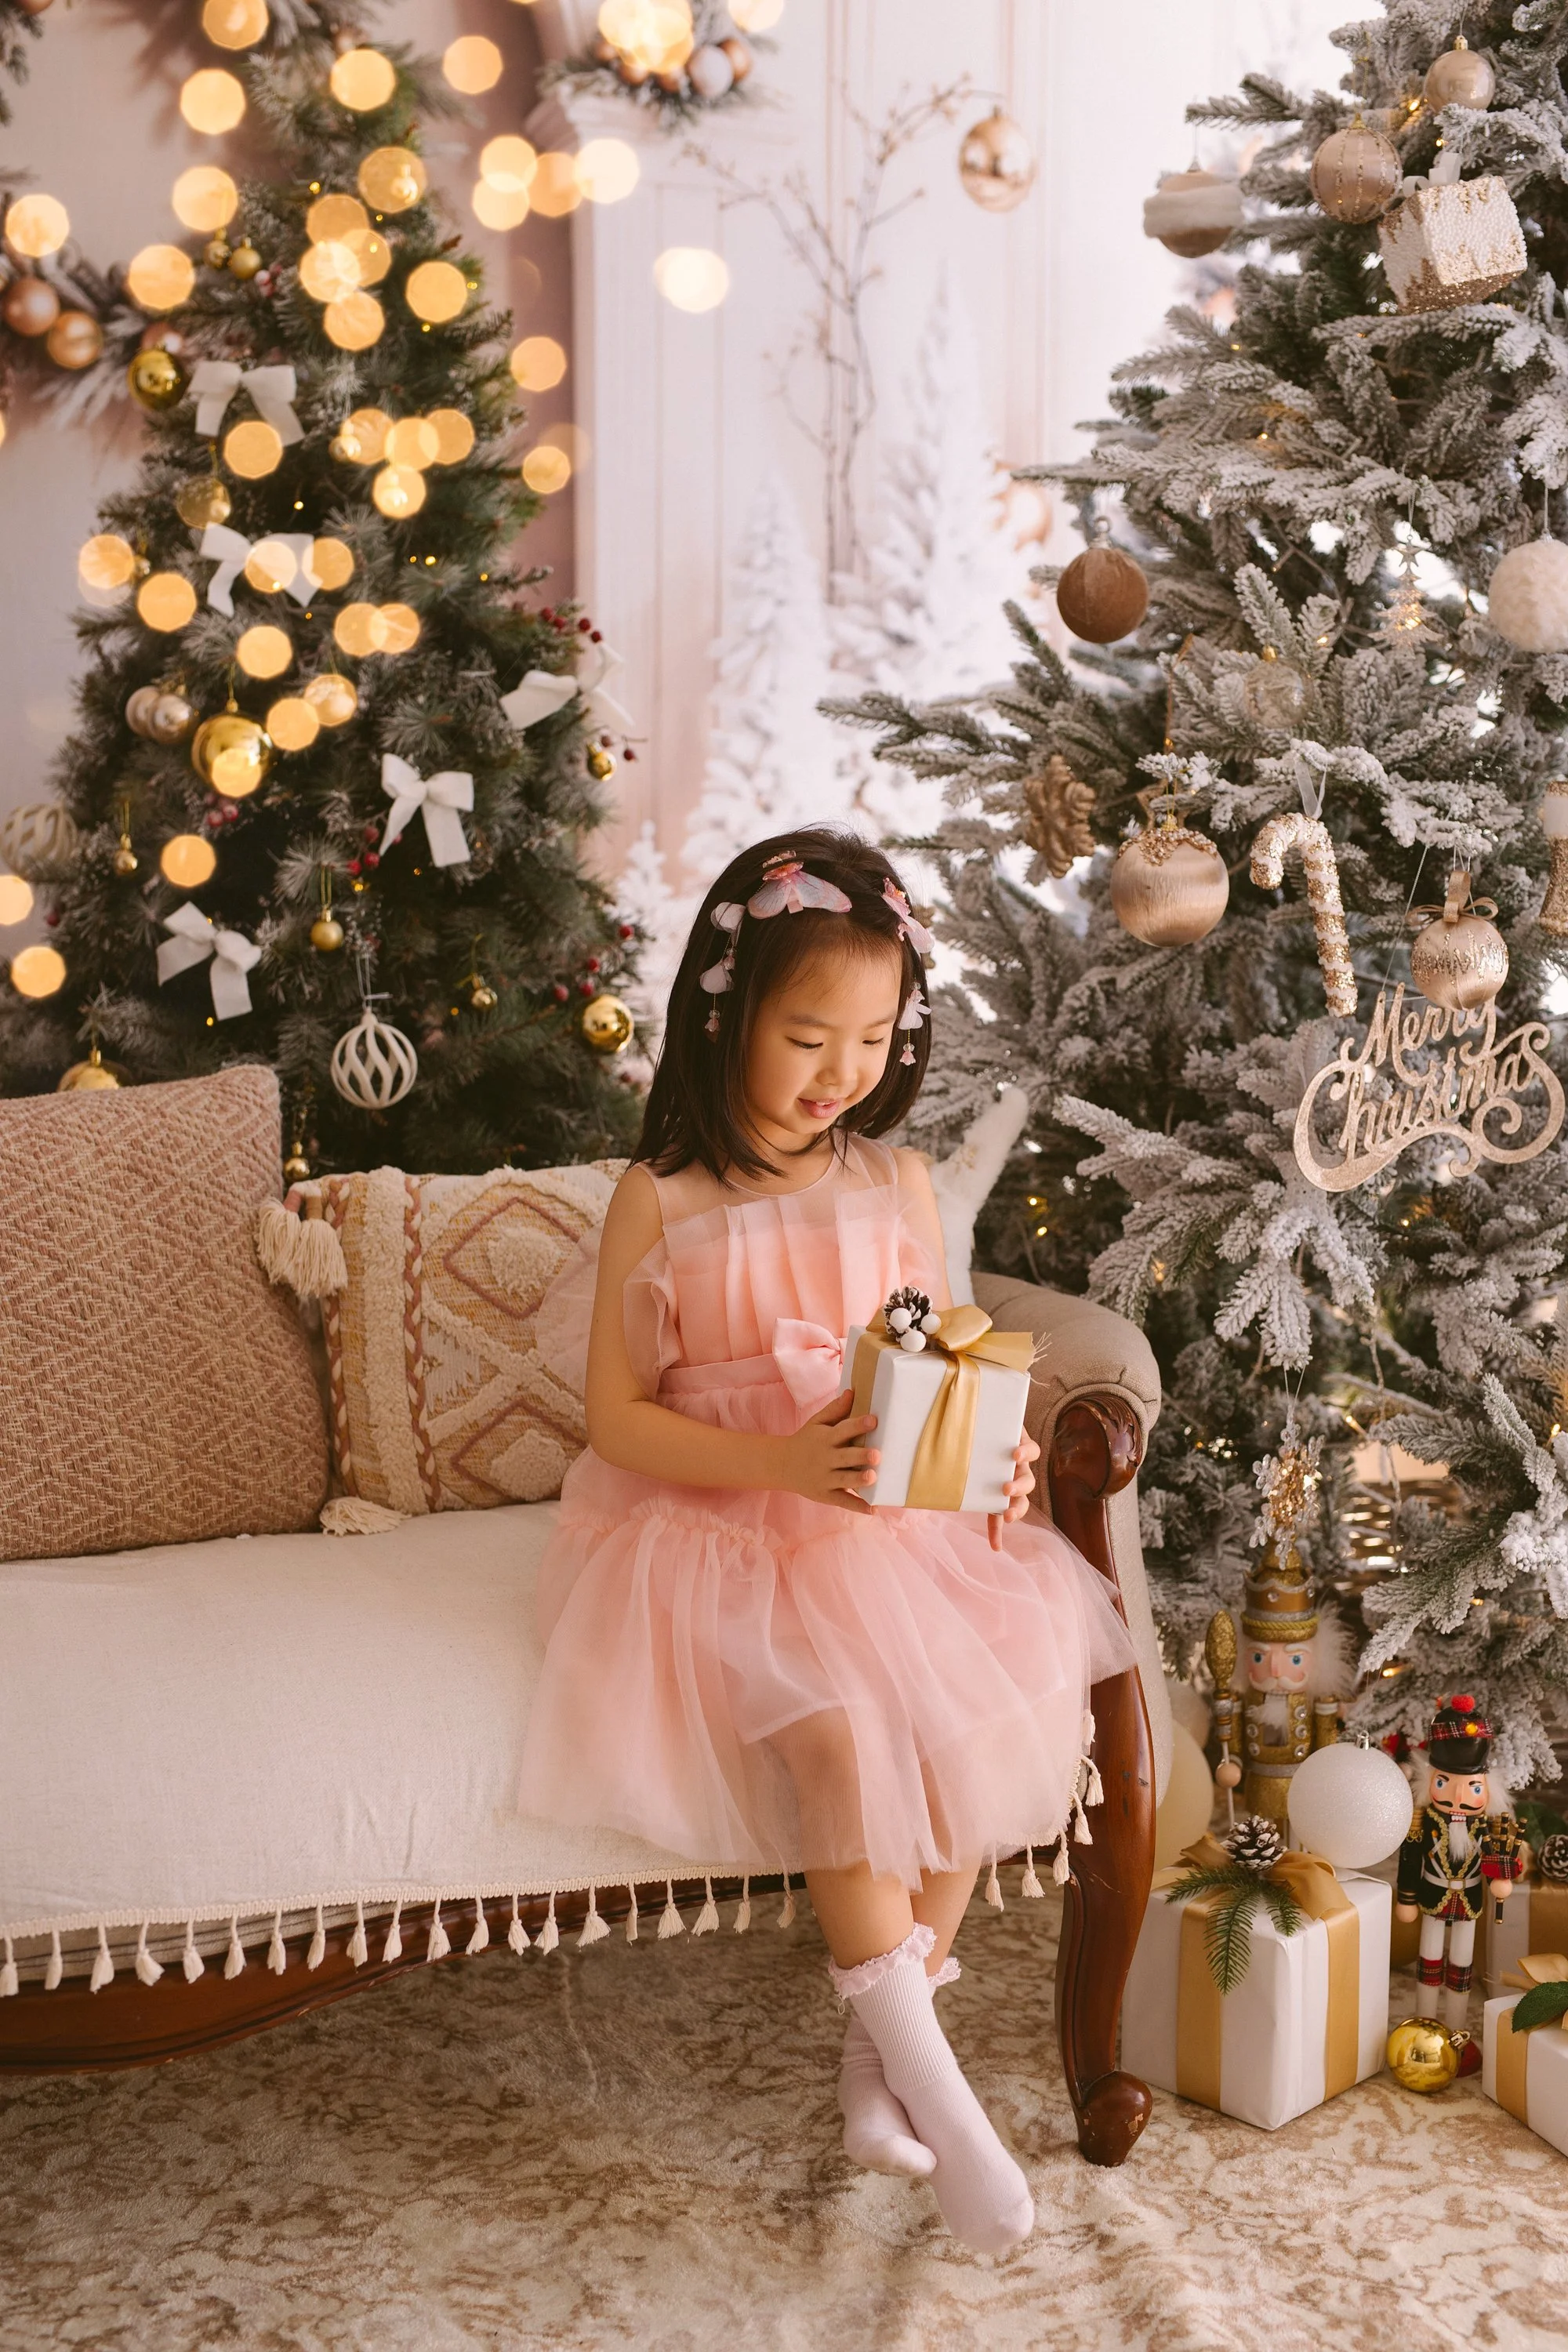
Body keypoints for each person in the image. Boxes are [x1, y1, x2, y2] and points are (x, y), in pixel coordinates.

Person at [520, 828, 1134, 2254]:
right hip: (721, 1530)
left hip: (885, 1524)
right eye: (807, 1039)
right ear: (726, 1016)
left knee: (984, 1698)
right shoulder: (663, 1199)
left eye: (872, 1038)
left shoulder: (896, 1184)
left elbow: (944, 1363)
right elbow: (616, 1418)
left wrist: (999, 1457)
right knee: (846, 1738)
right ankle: (946, 2103)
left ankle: (877, 2071)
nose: (841, 1071)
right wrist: (779, 1462)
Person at [1396, 1694, 1522, 2070]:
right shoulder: (1423, 1821)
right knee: (1429, 1962)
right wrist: (1406, 1897)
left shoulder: (1488, 1826)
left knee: (1461, 1968)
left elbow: (1498, 1860)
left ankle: (1456, 2033)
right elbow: (1411, 1858)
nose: (1459, 1797)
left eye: (1473, 1788)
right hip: (1434, 1895)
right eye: (1445, 1783)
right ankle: (1423, 2026)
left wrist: (1501, 1880)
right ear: (1431, 1780)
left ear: (1486, 1787)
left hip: (1468, 1901)